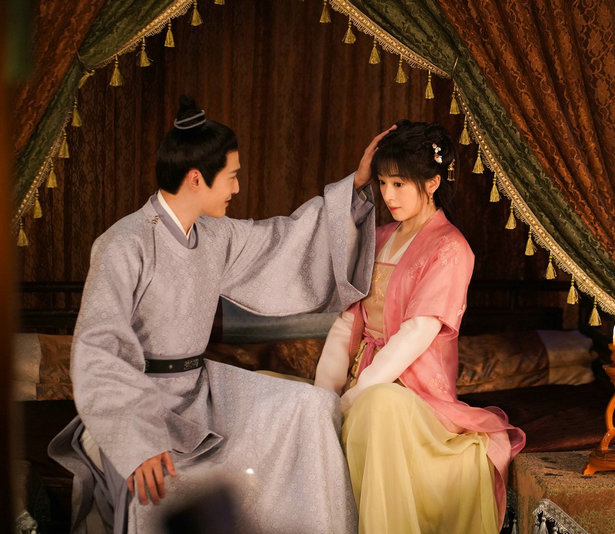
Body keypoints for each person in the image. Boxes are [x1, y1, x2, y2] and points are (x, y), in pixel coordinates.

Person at [49, 95, 387, 534]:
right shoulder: (122, 245)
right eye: (232, 176)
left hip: (201, 394)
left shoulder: (214, 235)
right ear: (196, 178)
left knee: (312, 405)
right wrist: (136, 441)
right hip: (141, 404)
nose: (237, 189)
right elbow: (99, 350)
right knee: (166, 491)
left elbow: (283, 241)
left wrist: (354, 189)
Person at [314, 120, 526, 533]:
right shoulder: (378, 236)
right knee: (292, 401)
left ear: (432, 182)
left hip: (414, 396)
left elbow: (416, 333)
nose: (388, 196)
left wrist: (354, 398)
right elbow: (347, 322)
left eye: (399, 184)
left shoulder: (451, 248)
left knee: (378, 406)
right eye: (382, 183)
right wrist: (325, 395)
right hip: (362, 380)